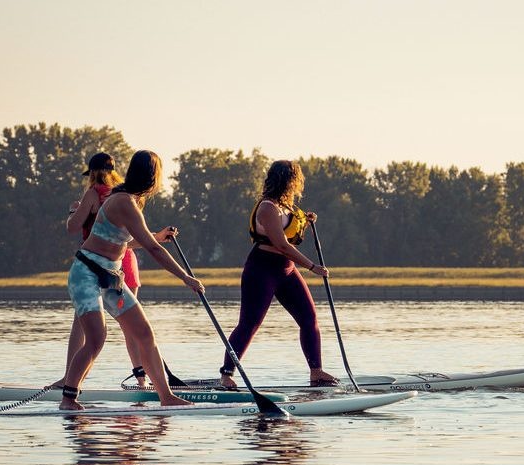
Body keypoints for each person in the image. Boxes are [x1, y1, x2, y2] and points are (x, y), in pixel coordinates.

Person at [61, 150, 204, 410]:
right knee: (96, 338)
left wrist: (158, 237)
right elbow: (153, 249)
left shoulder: (129, 201)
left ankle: (166, 396)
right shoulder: (124, 201)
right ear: (151, 177)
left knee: (144, 333)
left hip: (110, 277)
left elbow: (133, 241)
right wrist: (185, 277)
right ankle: (68, 399)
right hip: (86, 274)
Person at [218, 159, 338, 389]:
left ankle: (317, 371)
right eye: (296, 180)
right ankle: (226, 375)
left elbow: (292, 227)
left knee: (309, 319)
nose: (298, 184)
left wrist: (307, 219)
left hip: (286, 270)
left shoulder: (287, 207)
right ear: (288, 181)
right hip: (261, 270)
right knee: (249, 323)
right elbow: (282, 245)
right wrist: (312, 267)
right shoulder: (267, 208)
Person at [54, 152, 162, 390]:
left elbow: (73, 228)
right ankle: (143, 379)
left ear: (92, 173)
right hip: (124, 263)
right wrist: (157, 238)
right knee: (133, 328)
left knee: (84, 328)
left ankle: (69, 381)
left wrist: (74, 211)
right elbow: (134, 239)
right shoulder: (126, 196)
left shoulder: (93, 194)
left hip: (94, 266)